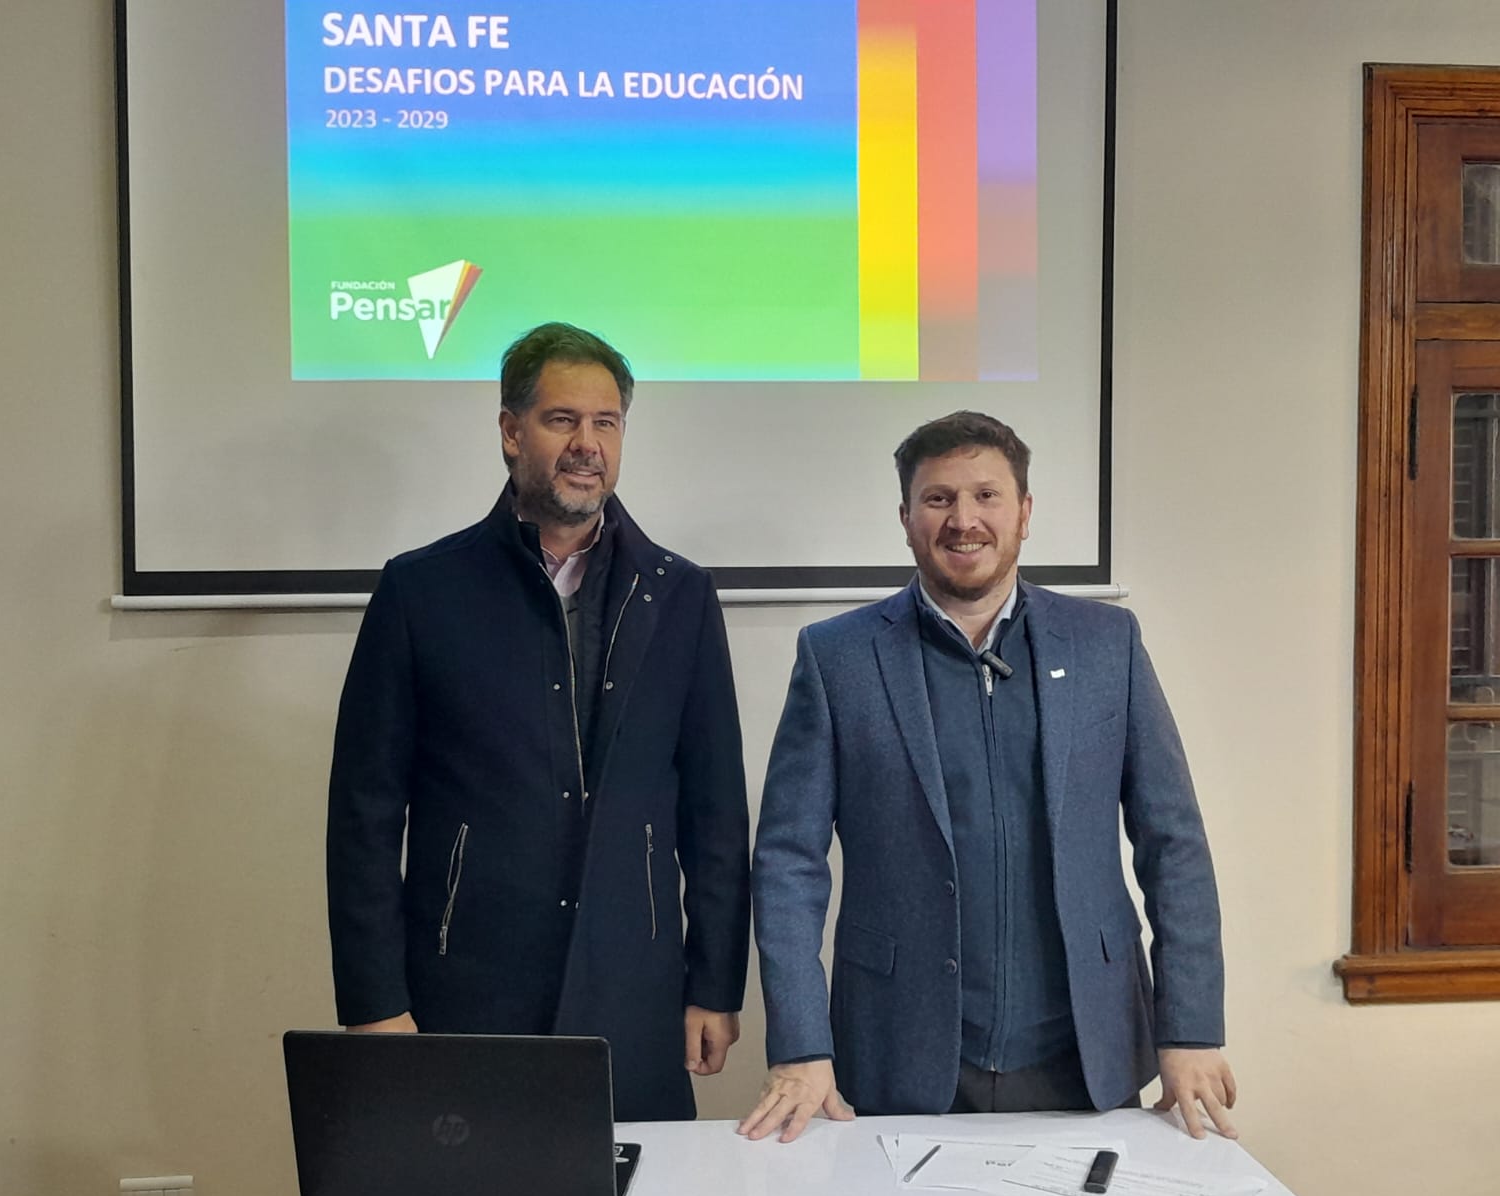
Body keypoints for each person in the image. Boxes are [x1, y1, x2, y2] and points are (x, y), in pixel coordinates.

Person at [740, 411, 1235, 1143]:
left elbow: (1174, 843)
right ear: (905, 517)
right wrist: (800, 1045)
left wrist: (1189, 1027)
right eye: (938, 498)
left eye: (987, 496)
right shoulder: (837, 657)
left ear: (1025, 513)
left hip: (1085, 1049)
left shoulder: (1108, 645)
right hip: (899, 1049)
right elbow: (788, 861)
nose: (963, 520)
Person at [327, 321, 751, 1122]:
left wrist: (715, 982)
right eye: (562, 419)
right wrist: (374, 1002)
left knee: (641, 1177)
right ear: (511, 431)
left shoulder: (680, 596)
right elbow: (364, 816)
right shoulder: (422, 592)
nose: (587, 444)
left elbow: (716, 813)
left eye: (606, 422)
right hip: (467, 989)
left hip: (634, 988)